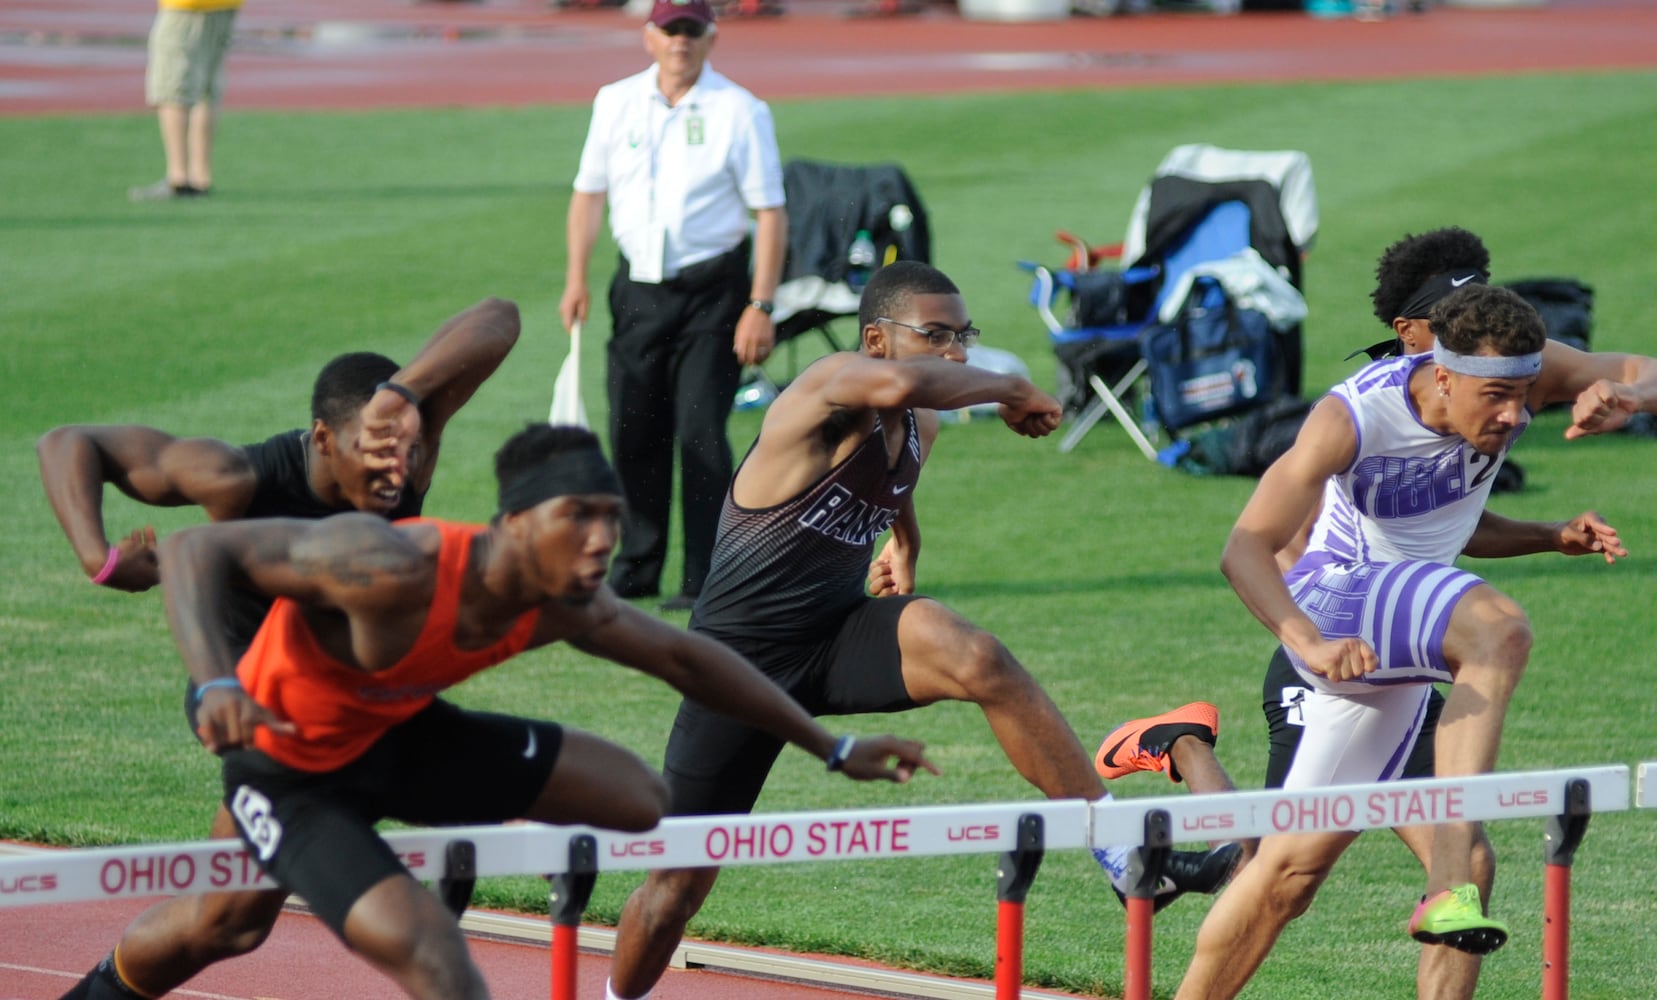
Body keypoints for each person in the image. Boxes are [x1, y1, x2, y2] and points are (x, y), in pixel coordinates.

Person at [602, 261, 1244, 1000]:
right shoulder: (821, 386)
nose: (954, 353)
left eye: (962, 336)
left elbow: (892, 470)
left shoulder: (922, 425)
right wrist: (1008, 386)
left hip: (833, 636)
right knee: (676, 887)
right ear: (875, 339)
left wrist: (905, 539)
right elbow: (900, 387)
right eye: (934, 335)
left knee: (975, 656)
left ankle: (1122, 852)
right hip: (737, 666)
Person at [149, 424, 937, 1000]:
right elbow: (192, 551)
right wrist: (217, 683)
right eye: (578, 517)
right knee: (306, 940)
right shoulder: (390, 564)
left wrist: (830, 747)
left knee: (641, 801)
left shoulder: (566, 604)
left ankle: (459, 845)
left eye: (610, 517)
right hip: (290, 763)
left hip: (400, 737)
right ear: (516, 523)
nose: (601, 540)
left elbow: (687, 659)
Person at [1174, 281, 1656, 1000]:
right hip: (1335, 598)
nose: (1512, 414)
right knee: (1498, 630)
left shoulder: (1518, 372)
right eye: (1494, 396)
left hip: (1398, 628)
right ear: (1440, 372)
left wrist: (1624, 403)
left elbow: (1637, 369)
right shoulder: (1352, 414)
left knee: (1285, 874)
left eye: (1525, 396)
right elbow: (1245, 546)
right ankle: (1447, 879)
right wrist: (1305, 643)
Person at [45, 297, 520, 1000]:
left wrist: (405, 394)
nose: (396, 474)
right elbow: (69, 443)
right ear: (324, 439)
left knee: (227, 924)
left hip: (362, 700)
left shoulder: (403, 449)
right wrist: (100, 559)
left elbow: (499, 319)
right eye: (375, 450)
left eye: (407, 448)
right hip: (253, 707)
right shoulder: (237, 480)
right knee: (234, 919)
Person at [559, 0, 788, 612]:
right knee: (633, 427)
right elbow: (588, 196)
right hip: (637, 288)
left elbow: (770, 214)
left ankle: (706, 575)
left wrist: (759, 303)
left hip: (713, 290)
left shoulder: (741, 111)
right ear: (649, 36)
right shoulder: (615, 101)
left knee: (699, 431)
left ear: (711, 36)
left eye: (691, 30)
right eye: (670, 30)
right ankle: (636, 567)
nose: (680, 41)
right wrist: (575, 278)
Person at [128, 0, 242, 201]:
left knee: (173, 88)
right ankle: (200, 176)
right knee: (206, 88)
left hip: (186, 6)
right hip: (226, 5)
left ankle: (178, 178)